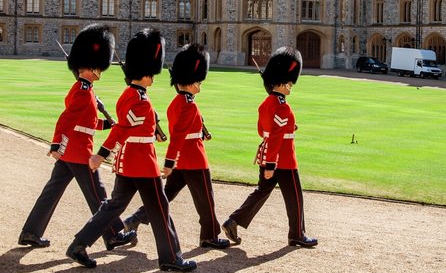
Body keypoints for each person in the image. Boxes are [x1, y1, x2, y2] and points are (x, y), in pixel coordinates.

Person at [66, 28, 195, 272]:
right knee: (160, 208)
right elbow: (122, 128)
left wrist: (152, 131)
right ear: (146, 74)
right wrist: (101, 154)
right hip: (142, 164)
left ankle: (79, 244)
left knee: (113, 207)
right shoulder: (140, 99)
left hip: (128, 163)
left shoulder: (132, 95)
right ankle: (171, 258)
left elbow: (132, 126)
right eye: (151, 74)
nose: (153, 78)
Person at [18, 23, 135, 251]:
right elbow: (67, 120)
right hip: (79, 152)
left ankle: (31, 232)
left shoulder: (85, 89)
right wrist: (56, 144)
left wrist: (107, 124)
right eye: (99, 68)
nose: (101, 72)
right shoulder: (83, 91)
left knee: (51, 193)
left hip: (71, 152)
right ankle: (113, 234)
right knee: (99, 194)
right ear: (91, 67)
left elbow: (85, 123)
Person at [121, 44, 231, 249]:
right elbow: (179, 135)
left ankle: (135, 219)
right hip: (195, 159)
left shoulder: (176, 102)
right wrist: (169, 161)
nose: (200, 85)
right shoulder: (189, 104)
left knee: (164, 197)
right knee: (206, 201)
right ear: (190, 83)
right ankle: (209, 236)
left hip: (181, 160)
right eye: (198, 81)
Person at [221, 47, 317, 248]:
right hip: (282, 159)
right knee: (295, 198)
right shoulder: (282, 106)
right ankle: (297, 234)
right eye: (289, 82)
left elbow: (262, 131)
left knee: (261, 192)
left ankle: (234, 220)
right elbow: (275, 137)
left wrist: (287, 129)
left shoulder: (266, 103)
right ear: (281, 82)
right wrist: (272, 165)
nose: (291, 86)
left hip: (267, 157)